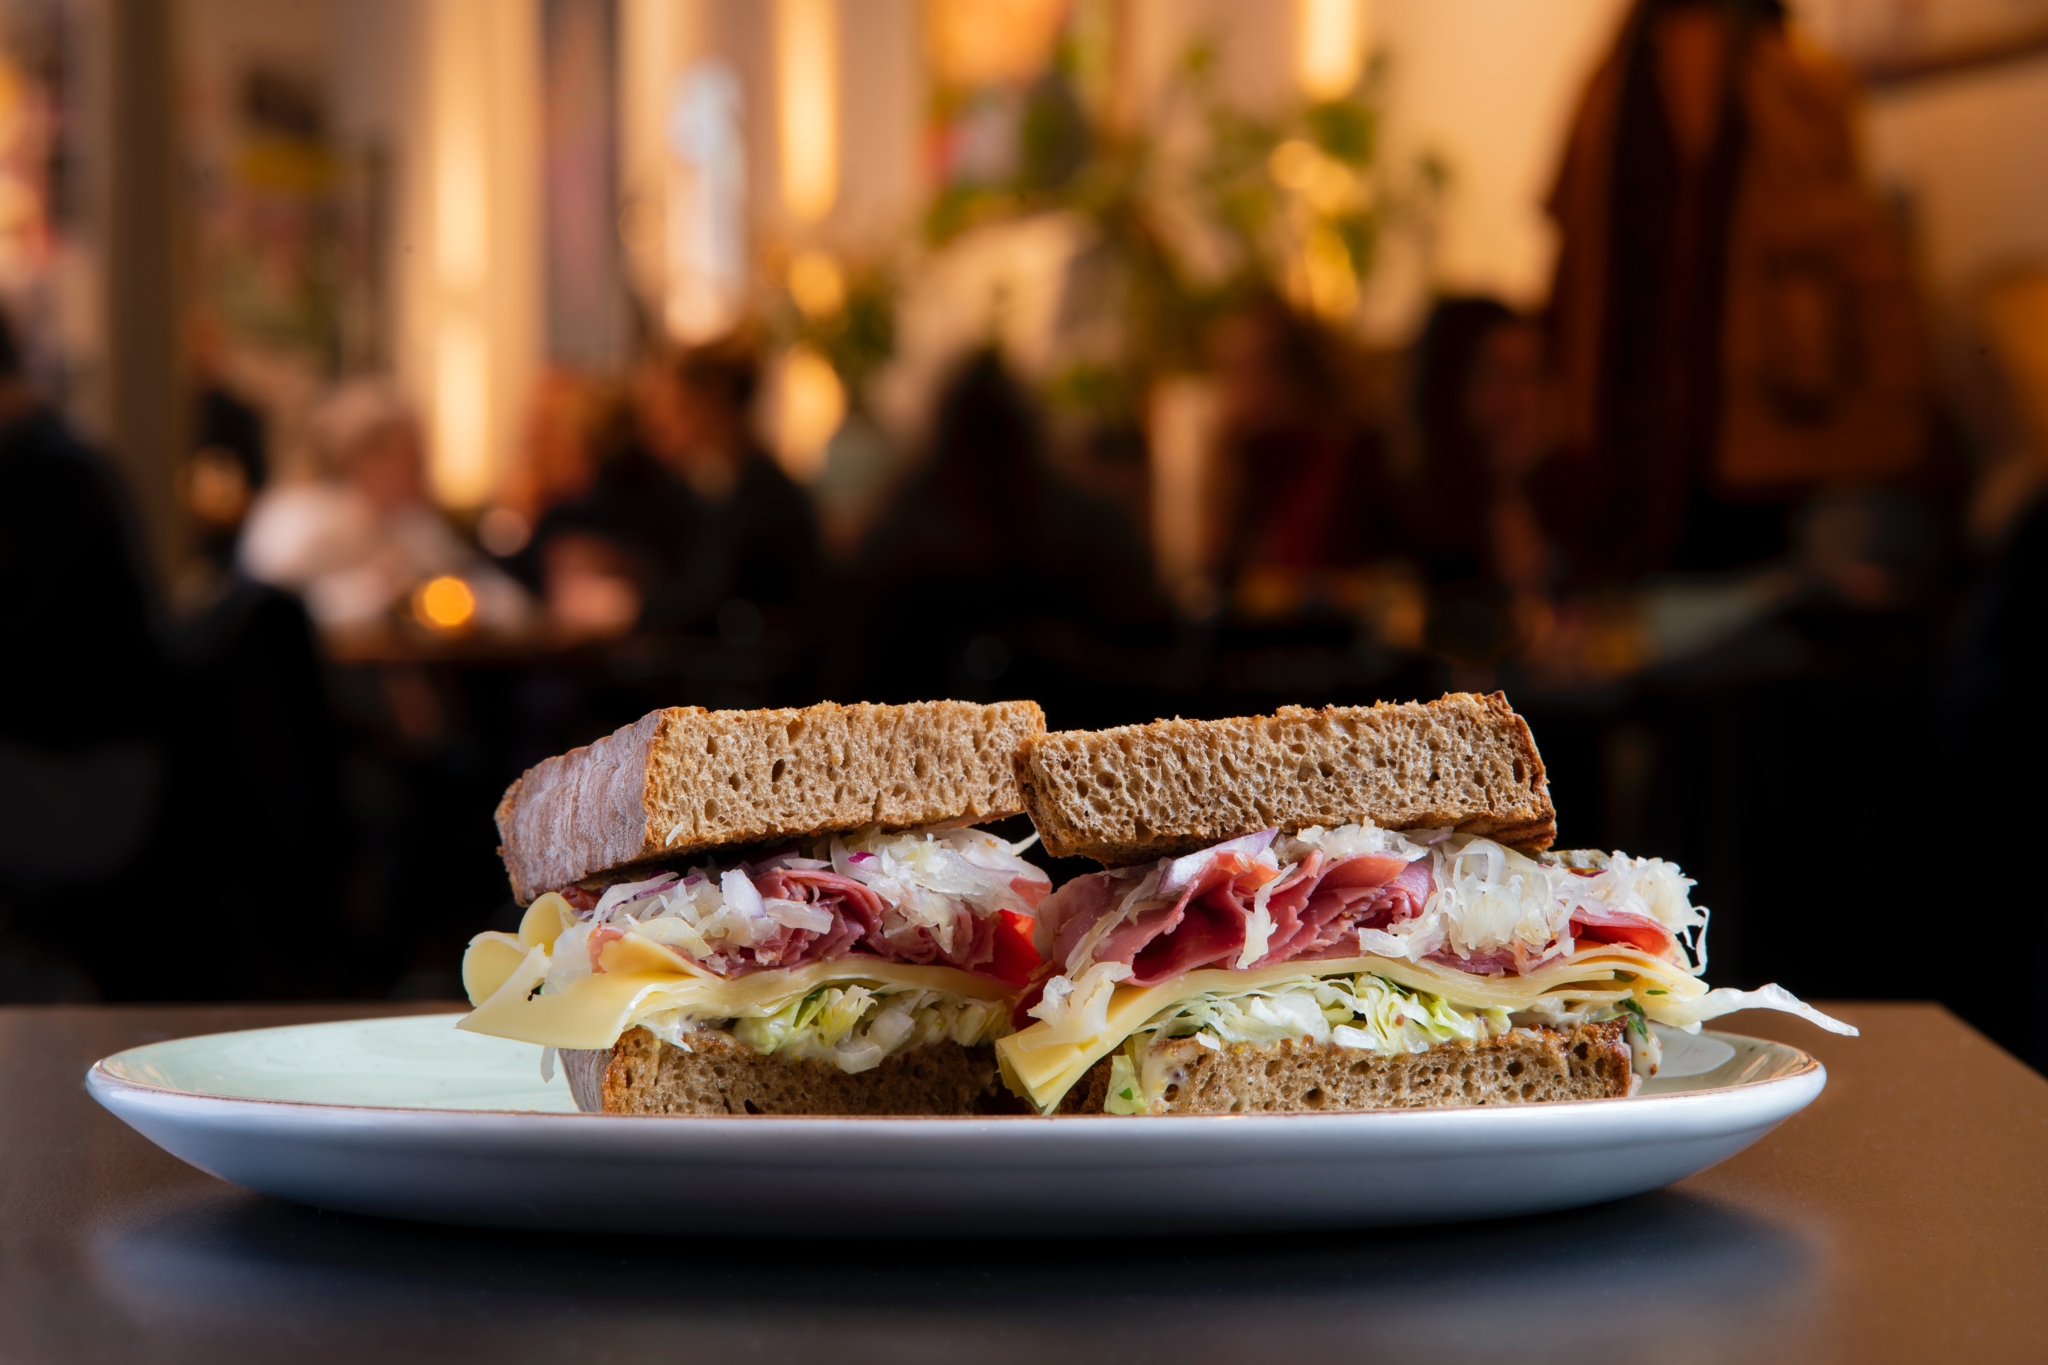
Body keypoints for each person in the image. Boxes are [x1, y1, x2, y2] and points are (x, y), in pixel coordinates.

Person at [1543, 0, 1928, 583]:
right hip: (1676, 451)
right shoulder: (1613, 88)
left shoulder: (1784, 79)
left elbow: (1858, 271)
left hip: (1761, 443)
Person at [529, 337, 820, 642]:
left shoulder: (759, 495)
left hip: (757, 677)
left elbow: (707, 601)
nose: (658, 422)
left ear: (712, 404)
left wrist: (627, 609)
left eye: (675, 407)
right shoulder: (726, 486)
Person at [238, 380, 529, 632]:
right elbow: (268, 606)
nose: (423, 475)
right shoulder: (296, 518)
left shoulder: (414, 526)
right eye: (411, 460)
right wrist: (377, 592)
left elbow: (505, 602)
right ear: (363, 460)